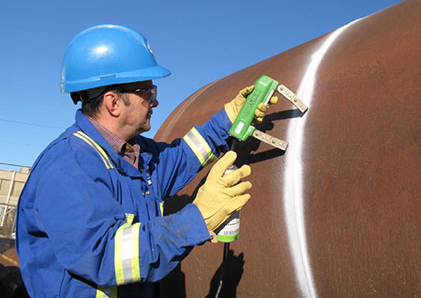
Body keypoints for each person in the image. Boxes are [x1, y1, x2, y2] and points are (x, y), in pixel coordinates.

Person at [15, 24, 275, 297]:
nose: (155, 102)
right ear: (113, 103)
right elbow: (104, 257)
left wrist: (230, 118)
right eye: (148, 93)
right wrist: (198, 219)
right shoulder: (69, 166)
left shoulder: (135, 154)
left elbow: (183, 156)